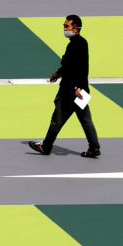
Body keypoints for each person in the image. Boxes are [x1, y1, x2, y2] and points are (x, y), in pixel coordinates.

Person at [29, 14, 101, 158]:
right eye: (64, 26)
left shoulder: (74, 45)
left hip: (70, 91)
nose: (64, 29)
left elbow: (76, 68)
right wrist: (59, 73)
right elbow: (74, 66)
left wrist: (75, 88)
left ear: (76, 29)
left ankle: (46, 146)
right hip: (80, 90)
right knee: (86, 120)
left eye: (67, 26)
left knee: (57, 119)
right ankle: (94, 148)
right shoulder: (82, 42)